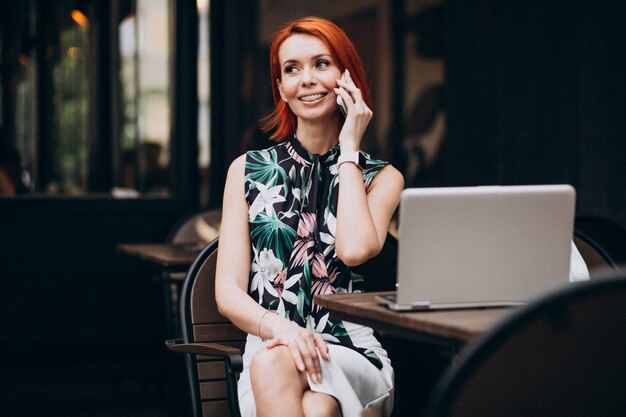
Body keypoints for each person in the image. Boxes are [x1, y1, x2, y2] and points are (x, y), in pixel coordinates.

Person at [215, 16, 404, 417]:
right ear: (280, 89)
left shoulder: (382, 177)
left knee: (288, 376)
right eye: (291, 69)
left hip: (350, 351)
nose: (307, 79)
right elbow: (228, 292)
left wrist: (349, 150)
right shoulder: (247, 170)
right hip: (268, 347)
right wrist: (282, 330)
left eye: (322, 64)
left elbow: (354, 250)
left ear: (346, 77)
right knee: (315, 406)